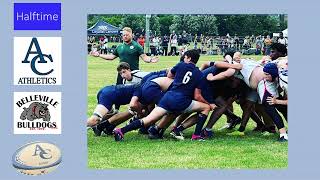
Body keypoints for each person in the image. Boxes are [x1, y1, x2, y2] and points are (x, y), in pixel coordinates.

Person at [112, 49, 216, 141]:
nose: (183, 58)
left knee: (148, 119)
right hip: (182, 101)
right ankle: (196, 135)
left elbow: (170, 74)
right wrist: (210, 103)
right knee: (205, 108)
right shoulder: (199, 74)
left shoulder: (180, 65)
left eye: (184, 57)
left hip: (168, 97)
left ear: (188, 58)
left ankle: (121, 131)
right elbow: (197, 95)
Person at [90, 27, 159, 112]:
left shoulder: (137, 46)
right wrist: (99, 55)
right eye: (124, 35)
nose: (125, 36)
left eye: (127, 35)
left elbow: (144, 58)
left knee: (137, 93)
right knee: (118, 90)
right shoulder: (120, 47)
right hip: (121, 74)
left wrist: (151, 59)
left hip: (134, 75)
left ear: (131, 35)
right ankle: (116, 110)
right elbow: (111, 57)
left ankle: (139, 110)